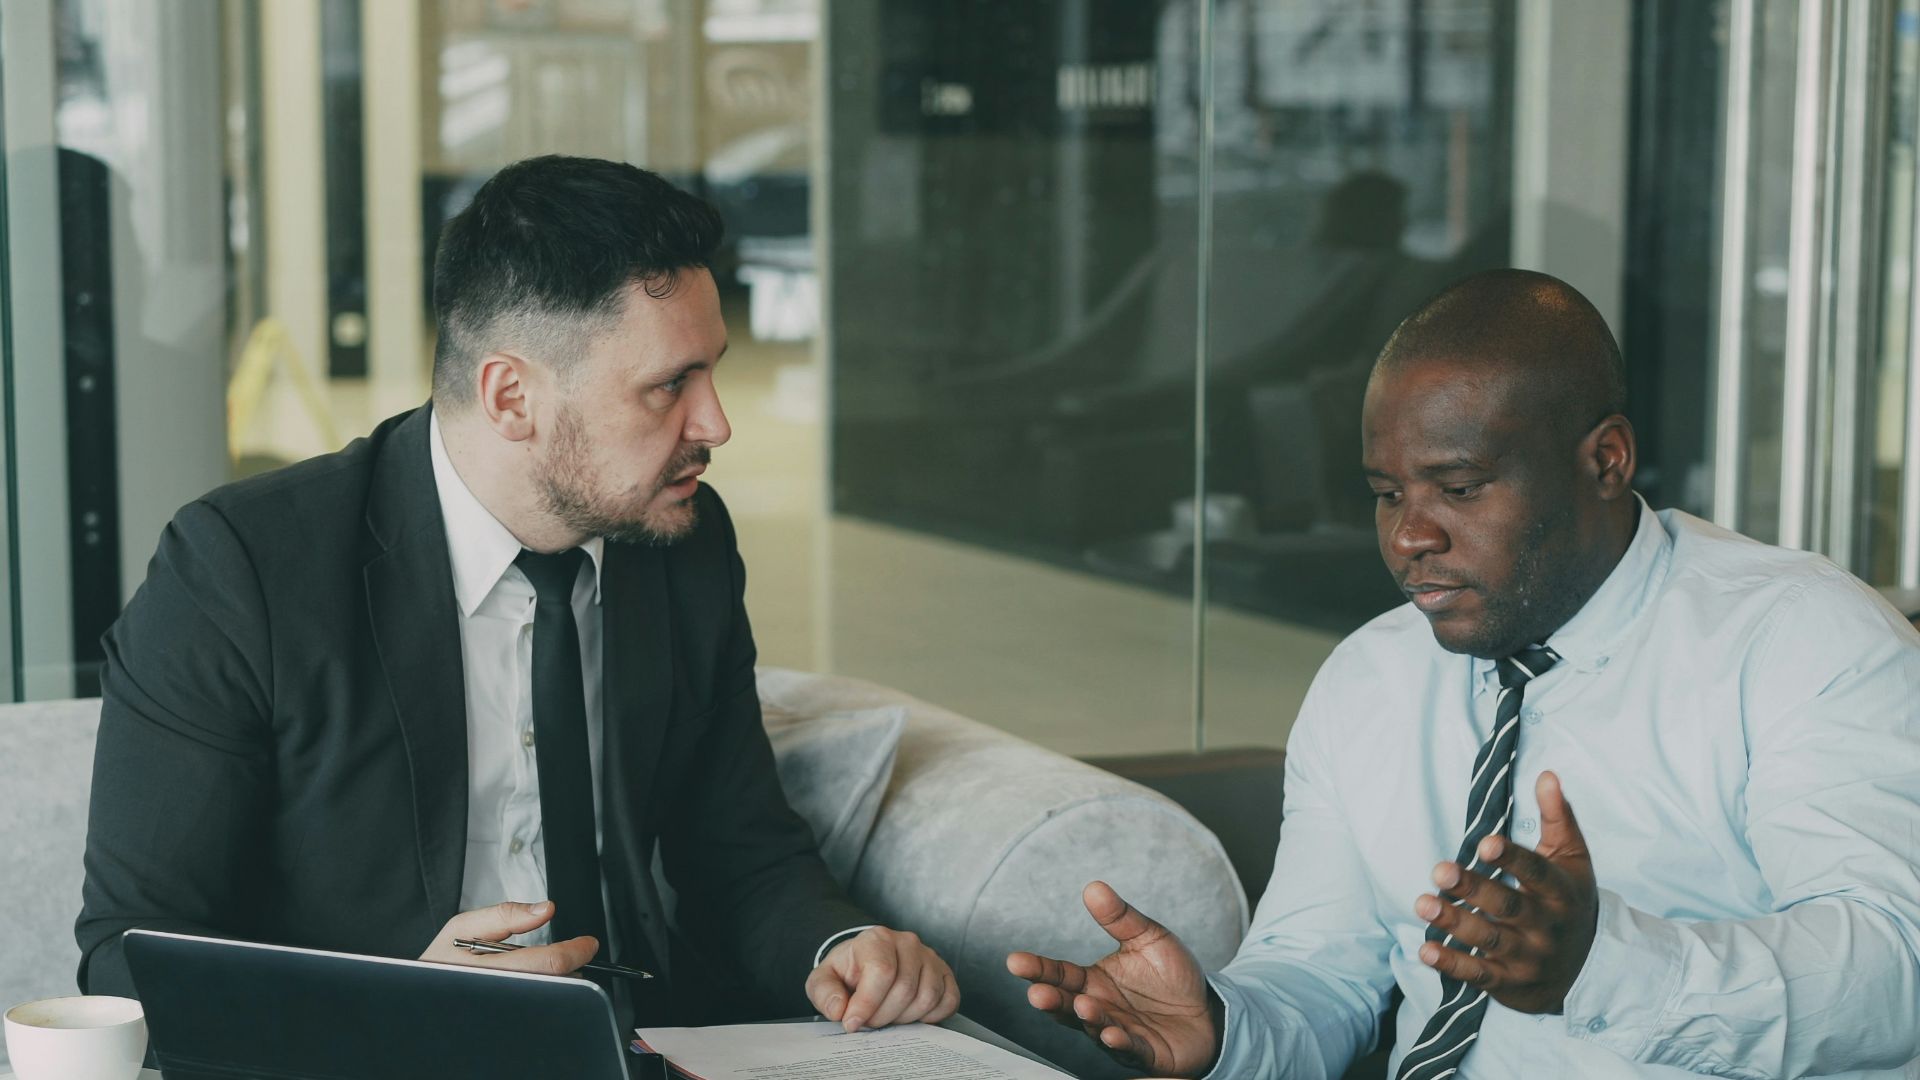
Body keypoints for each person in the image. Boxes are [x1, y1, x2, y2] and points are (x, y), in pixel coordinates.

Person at [77, 155, 957, 1035]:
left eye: (712, 371)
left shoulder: (682, 543)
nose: (716, 423)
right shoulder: (244, 569)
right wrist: (387, 1005)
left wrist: (837, 947)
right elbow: (130, 950)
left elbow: (738, 846)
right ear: (511, 396)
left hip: (652, 1043)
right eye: (669, 385)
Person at [1009, 270, 1920, 1077]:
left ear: (1605, 460)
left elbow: (1896, 968)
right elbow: (1322, 974)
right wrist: (1223, 1030)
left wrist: (1604, 966)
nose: (1411, 536)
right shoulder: (1372, 676)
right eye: (1388, 493)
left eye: (1460, 485)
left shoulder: (1802, 640)